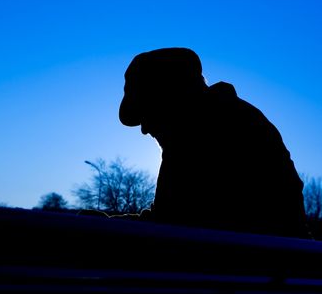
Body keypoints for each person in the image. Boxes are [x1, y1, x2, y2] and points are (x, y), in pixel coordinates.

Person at [118, 47, 309, 238]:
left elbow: (172, 229)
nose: (144, 129)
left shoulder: (203, 137)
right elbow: (170, 218)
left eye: (147, 112)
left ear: (170, 98)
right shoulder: (214, 122)